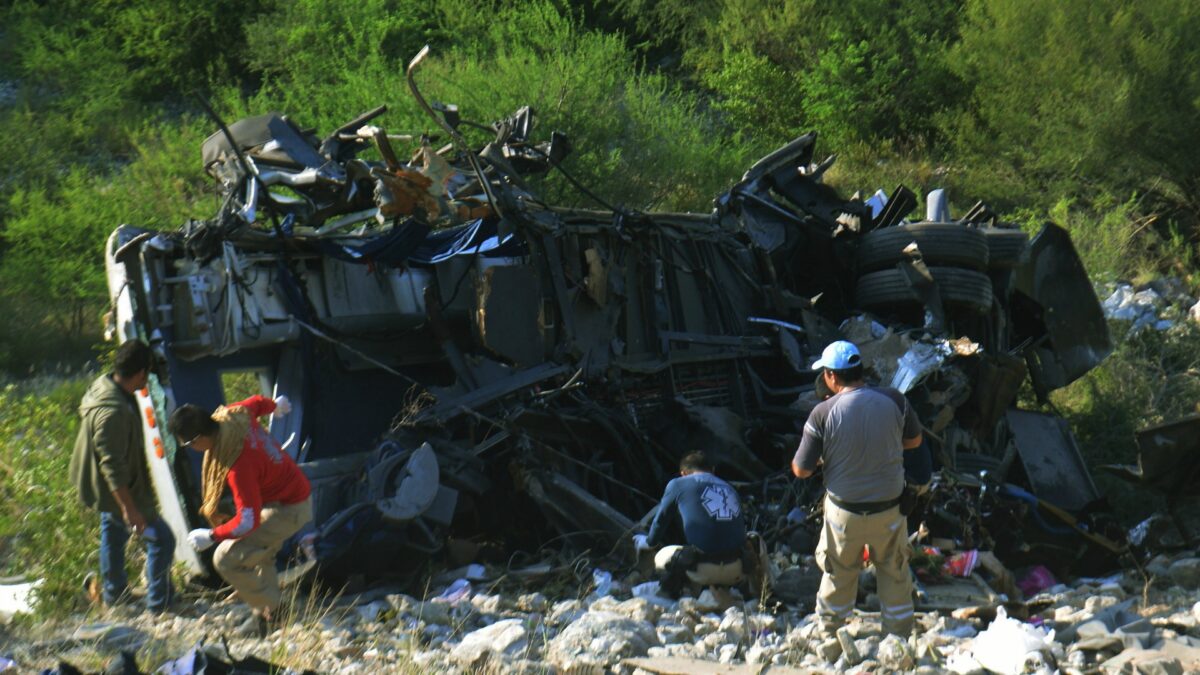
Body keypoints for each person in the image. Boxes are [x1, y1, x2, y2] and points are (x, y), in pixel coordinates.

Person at [792, 340, 923, 638]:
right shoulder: (896, 400)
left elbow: (801, 470)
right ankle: (899, 636)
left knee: (839, 571)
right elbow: (915, 442)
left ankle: (829, 634)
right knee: (894, 569)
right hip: (890, 510)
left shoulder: (822, 413)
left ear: (831, 376)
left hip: (844, 513)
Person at [167, 394, 311, 636]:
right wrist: (275, 406)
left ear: (200, 438)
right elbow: (254, 402)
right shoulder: (232, 416)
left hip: (289, 508)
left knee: (225, 558)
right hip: (291, 495)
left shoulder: (238, 465)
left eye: (187, 444)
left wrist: (212, 535)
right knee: (258, 553)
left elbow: (247, 521)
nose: (190, 449)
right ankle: (265, 615)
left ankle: (276, 612)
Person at [70, 339, 175, 612]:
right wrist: (129, 508)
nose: (148, 380)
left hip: (106, 487)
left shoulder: (105, 387)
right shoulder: (113, 411)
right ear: (140, 373)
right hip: (117, 488)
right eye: (147, 374)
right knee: (162, 540)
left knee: (113, 534)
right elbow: (112, 466)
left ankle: (116, 597)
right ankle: (159, 606)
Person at [634, 451, 748, 598]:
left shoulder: (678, 484)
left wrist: (648, 542)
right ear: (712, 470)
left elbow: (660, 521)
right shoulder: (729, 487)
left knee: (663, 556)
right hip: (737, 569)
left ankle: (673, 592)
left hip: (703, 570)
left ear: (683, 473)